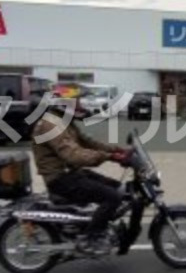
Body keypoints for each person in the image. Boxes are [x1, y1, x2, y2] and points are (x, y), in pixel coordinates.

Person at [31, 98, 131, 254]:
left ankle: (102, 225)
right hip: (60, 179)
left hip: (71, 173)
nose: (78, 108)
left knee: (118, 188)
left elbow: (88, 143)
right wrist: (109, 157)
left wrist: (118, 150)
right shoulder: (51, 126)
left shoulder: (63, 122)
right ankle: (91, 237)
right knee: (112, 197)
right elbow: (74, 155)